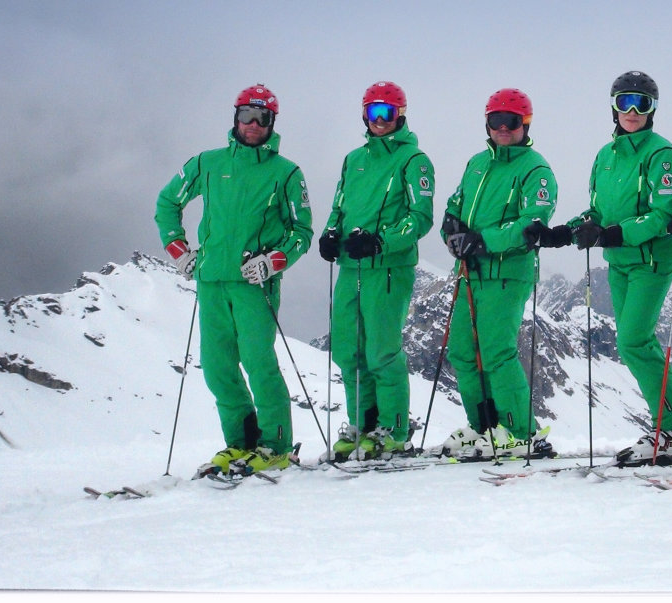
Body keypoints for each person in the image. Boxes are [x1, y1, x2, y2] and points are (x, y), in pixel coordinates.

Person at [555, 71, 672, 466]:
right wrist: (572, 229)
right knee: (635, 344)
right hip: (620, 263)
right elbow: (598, 211)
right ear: (613, 105)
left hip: (651, 260)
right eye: (624, 102)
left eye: (640, 104)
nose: (631, 111)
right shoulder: (605, 156)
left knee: (633, 340)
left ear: (653, 109)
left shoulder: (662, 154)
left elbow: (661, 214)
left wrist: (611, 234)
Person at [155, 84, 314, 476]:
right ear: (235, 118)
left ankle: (275, 446)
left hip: (254, 285)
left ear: (272, 122)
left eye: (262, 118)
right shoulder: (206, 163)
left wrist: (273, 262)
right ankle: (240, 443)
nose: (253, 124)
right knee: (216, 366)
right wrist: (179, 250)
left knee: (259, 362)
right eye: (247, 116)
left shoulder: (286, 173)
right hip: (211, 281)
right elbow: (167, 202)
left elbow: (302, 231)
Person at [436, 88, 557, 460]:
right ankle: (485, 426)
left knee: (497, 352)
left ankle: (521, 432)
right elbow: (455, 205)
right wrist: (451, 231)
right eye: (495, 121)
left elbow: (532, 223)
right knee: (462, 350)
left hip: (508, 272)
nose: (503, 129)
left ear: (525, 124)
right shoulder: (477, 163)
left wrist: (482, 240)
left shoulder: (536, 169)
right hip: (470, 271)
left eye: (511, 122)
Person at [316, 81, 434, 462]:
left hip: (387, 267)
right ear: (364, 115)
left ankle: (394, 430)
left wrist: (382, 241)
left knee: (382, 350)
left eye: (387, 112)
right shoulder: (354, 159)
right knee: (349, 350)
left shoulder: (413, 160)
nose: (380, 120)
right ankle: (361, 426)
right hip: (351, 266)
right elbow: (340, 206)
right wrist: (331, 233)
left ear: (400, 115)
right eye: (373, 113)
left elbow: (420, 218)